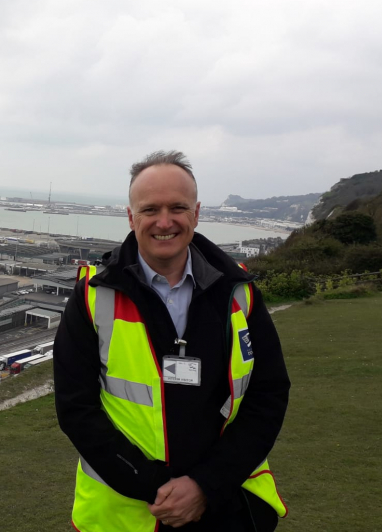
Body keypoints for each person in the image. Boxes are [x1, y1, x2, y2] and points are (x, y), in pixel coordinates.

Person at [54, 151, 290, 531]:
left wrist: (205, 485)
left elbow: (269, 395)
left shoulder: (240, 293)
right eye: (150, 210)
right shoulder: (92, 297)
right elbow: (75, 408)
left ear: (196, 213)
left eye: (177, 207)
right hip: (130, 512)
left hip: (227, 504)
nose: (165, 222)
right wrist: (154, 488)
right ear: (131, 217)